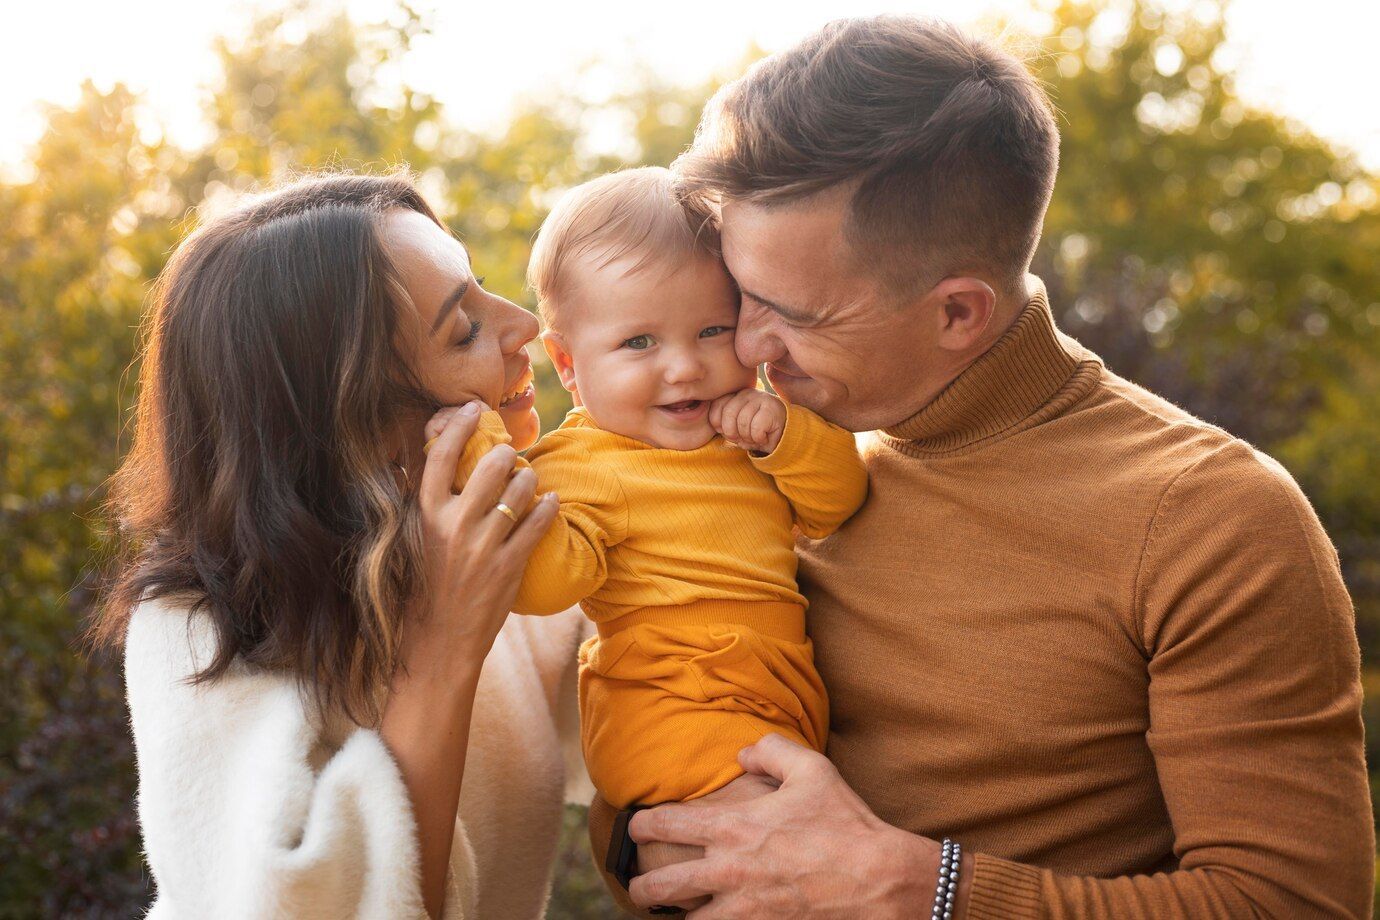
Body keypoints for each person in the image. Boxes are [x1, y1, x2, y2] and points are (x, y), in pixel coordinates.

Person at [590, 15, 1374, 919]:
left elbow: (1295, 903)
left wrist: (925, 892)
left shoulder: (1209, 519)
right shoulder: (751, 447)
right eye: (740, 298)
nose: (750, 347)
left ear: (957, 312)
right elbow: (636, 783)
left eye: (789, 312)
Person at [93, 173, 585, 919]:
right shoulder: (199, 631)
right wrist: (445, 648)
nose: (524, 327)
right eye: (464, 329)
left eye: (482, 290)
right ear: (351, 425)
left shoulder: (509, 555)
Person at [425, 167, 866, 851]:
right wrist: (485, 452)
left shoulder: (745, 433)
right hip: (670, 706)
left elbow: (839, 501)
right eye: (639, 343)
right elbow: (544, 584)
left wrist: (787, 434)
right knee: (776, 856)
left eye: (714, 330)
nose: (684, 367)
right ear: (568, 364)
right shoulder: (578, 466)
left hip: (776, 695)